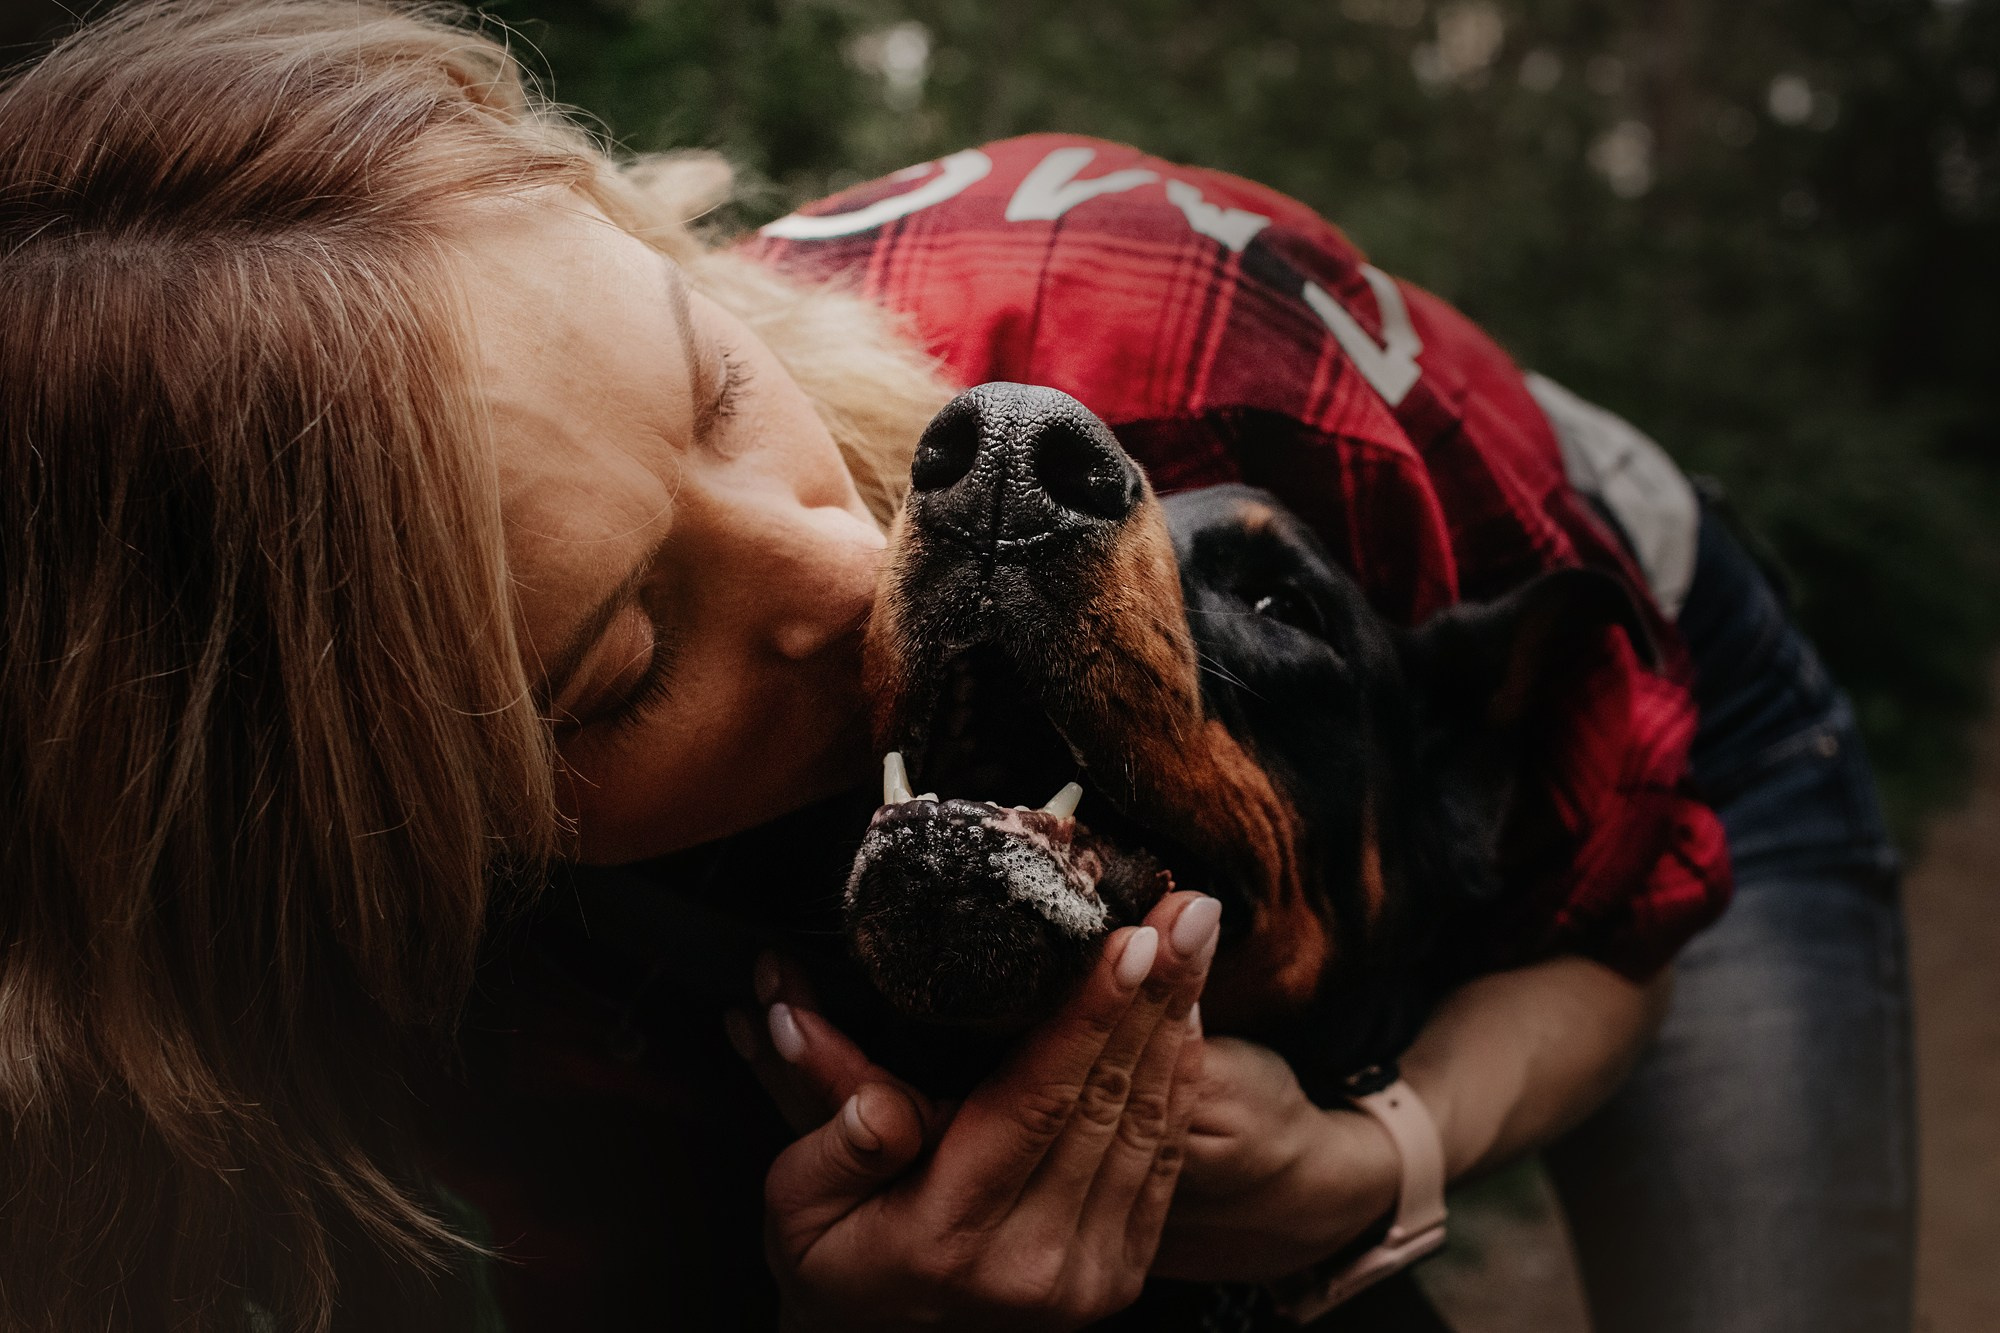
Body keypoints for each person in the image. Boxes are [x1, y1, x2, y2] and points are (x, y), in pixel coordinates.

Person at [0, 4, 1911, 1333]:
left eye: (714, 385)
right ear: (393, 845)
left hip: (1612, 643)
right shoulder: (422, 981)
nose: (862, 565)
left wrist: (1379, 1158)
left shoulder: (1188, 340)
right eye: (623, 662)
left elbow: (1622, 896)